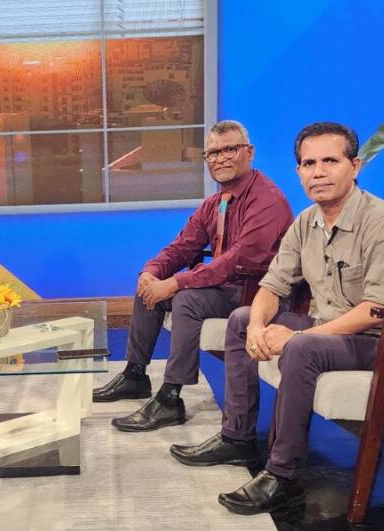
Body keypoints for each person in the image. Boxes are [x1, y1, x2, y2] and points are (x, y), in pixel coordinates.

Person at [170, 122, 384, 514]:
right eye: (309, 164)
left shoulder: (383, 222)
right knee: (240, 319)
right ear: (299, 172)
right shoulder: (306, 222)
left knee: (303, 347)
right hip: (333, 332)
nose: (318, 172)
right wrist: (257, 326)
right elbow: (272, 286)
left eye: (330, 161)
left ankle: (283, 475)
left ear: (355, 166)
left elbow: (376, 309)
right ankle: (237, 437)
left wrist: (296, 338)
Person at [94, 120, 293, 433]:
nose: (220, 158)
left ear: (249, 152)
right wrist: (151, 272)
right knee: (150, 287)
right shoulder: (215, 203)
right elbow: (182, 246)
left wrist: (176, 282)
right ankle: (135, 375)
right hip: (224, 288)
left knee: (186, 298)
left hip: (256, 294)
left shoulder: (267, 200)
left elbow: (237, 260)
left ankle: (170, 398)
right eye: (213, 153)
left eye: (230, 149)